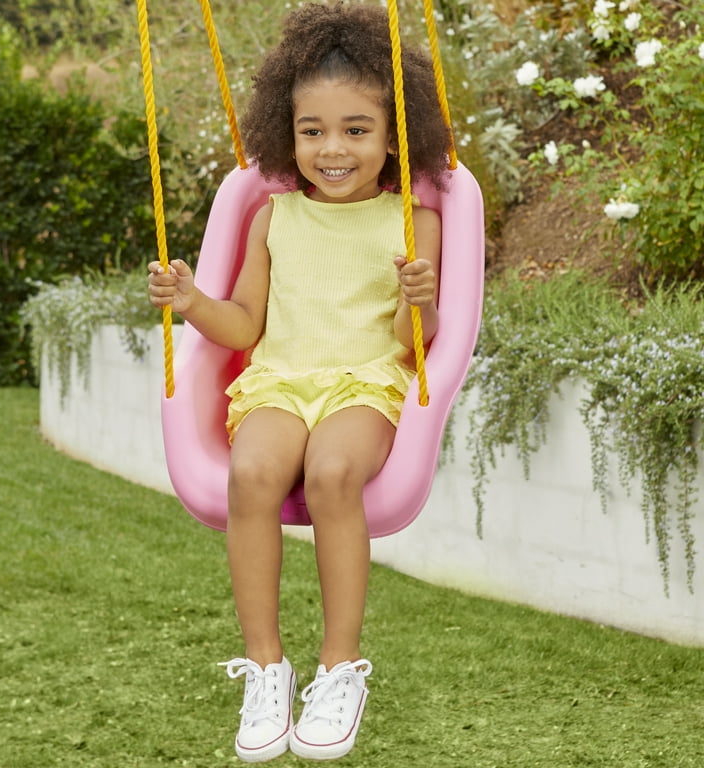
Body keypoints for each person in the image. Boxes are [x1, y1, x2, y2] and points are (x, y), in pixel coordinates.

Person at [148, 3, 451, 762]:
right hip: (281, 380)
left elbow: (416, 347)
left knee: (334, 470)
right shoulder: (273, 217)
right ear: (288, 133)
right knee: (251, 473)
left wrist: (422, 302)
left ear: (394, 137)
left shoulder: (413, 222)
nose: (333, 149)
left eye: (357, 129)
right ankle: (266, 670)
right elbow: (245, 325)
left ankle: (341, 668)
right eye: (313, 131)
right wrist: (192, 303)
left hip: (364, 382)